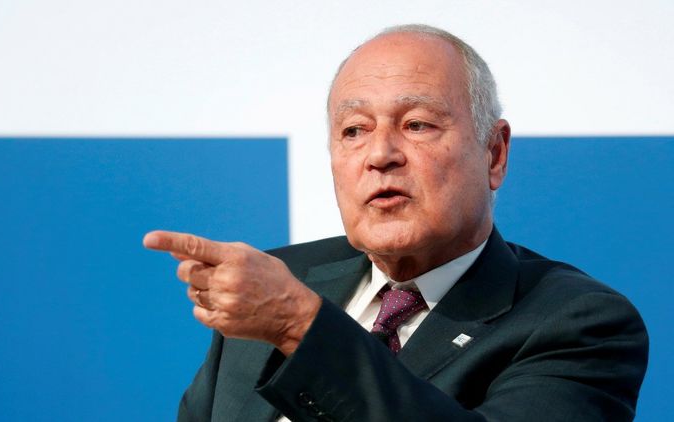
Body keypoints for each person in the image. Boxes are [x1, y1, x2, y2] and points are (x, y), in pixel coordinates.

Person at [143, 24, 648, 421]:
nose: (379, 154)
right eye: (354, 130)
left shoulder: (577, 322)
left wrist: (300, 326)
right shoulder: (280, 279)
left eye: (417, 125)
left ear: (494, 153)